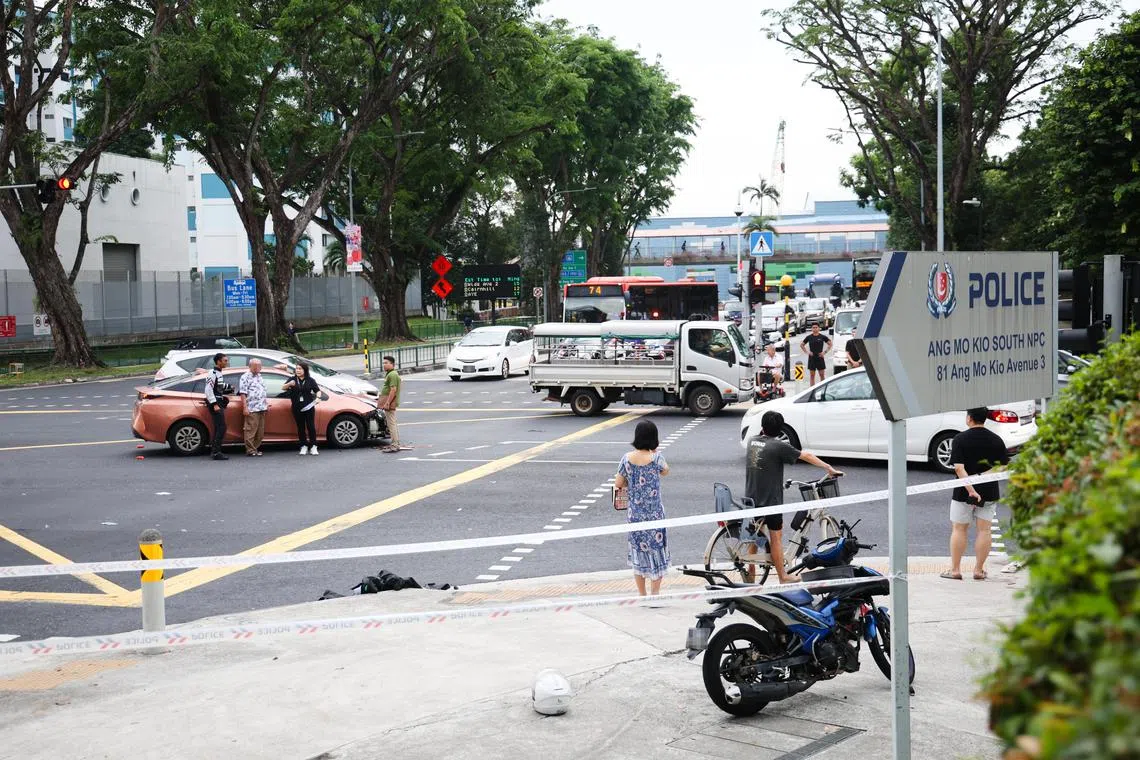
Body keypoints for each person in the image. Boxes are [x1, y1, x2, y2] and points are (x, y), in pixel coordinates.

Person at [744, 411, 843, 584]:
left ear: (763, 426)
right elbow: (806, 456)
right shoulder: (777, 446)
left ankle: (750, 569)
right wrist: (829, 468)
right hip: (770, 502)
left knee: (757, 532)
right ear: (779, 429)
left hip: (751, 497)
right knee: (776, 537)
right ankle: (783, 576)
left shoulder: (753, 441)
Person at [942, 408, 1010, 581]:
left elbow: (959, 467)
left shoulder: (959, 439)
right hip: (989, 490)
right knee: (985, 530)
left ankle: (955, 570)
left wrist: (971, 490)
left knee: (959, 528)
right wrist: (982, 478)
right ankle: (979, 570)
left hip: (962, 491)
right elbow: (1002, 466)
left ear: (969, 418)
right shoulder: (996, 440)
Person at [614, 420, 670, 596]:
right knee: (656, 552)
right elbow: (666, 471)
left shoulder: (626, 459)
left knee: (639, 553)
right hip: (655, 515)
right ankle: (655, 593)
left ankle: (642, 594)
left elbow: (618, 483)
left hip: (635, 515)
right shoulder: (657, 459)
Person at [284, 362, 320, 456]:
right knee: (300, 427)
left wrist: (318, 398)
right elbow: (283, 388)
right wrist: (289, 384)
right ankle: (303, 446)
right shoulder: (292, 379)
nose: (298, 370)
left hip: (309, 407)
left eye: (300, 369)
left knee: (311, 426)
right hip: (297, 407)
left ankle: (313, 446)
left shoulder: (310, 380)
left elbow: (318, 390)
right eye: (297, 369)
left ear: (305, 370)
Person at [238, 358, 268, 457]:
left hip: (262, 407)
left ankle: (255, 448)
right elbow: (243, 393)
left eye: (259, 366)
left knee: (260, 431)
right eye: (255, 366)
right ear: (250, 366)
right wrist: (245, 407)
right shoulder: (245, 377)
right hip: (252, 407)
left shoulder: (260, 376)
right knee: (250, 430)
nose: (257, 368)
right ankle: (250, 450)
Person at [204, 353, 230, 461]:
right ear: (218, 361)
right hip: (215, 403)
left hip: (218, 401)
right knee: (221, 427)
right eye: (224, 360)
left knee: (219, 427)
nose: (226, 362)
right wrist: (214, 404)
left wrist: (229, 387)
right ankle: (216, 452)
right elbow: (208, 389)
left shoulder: (219, 373)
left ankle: (215, 450)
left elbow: (218, 386)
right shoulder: (213, 373)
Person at [378, 356, 402, 453]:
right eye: (383, 363)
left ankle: (395, 445)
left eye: (386, 363)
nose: (384, 365)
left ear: (392, 364)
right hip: (389, 401)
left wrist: (388, 402)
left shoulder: (392, 375)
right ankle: (396, 443)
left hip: (390, 402)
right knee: (392, 423)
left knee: (391, 424)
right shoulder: (391, 374)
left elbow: (393, 390)